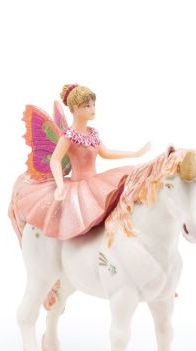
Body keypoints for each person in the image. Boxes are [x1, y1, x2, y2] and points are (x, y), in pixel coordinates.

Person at [9, 84, 150, 243]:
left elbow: (106, 153)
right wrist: (60, 185)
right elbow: (55, 160)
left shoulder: (93, 133)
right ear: (75, 109)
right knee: (81, 213)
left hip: (96, 182)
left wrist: (135, 154)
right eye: (87, 106)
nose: (93, 109)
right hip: (78, 186)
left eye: (93, 104)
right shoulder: (68, 136)